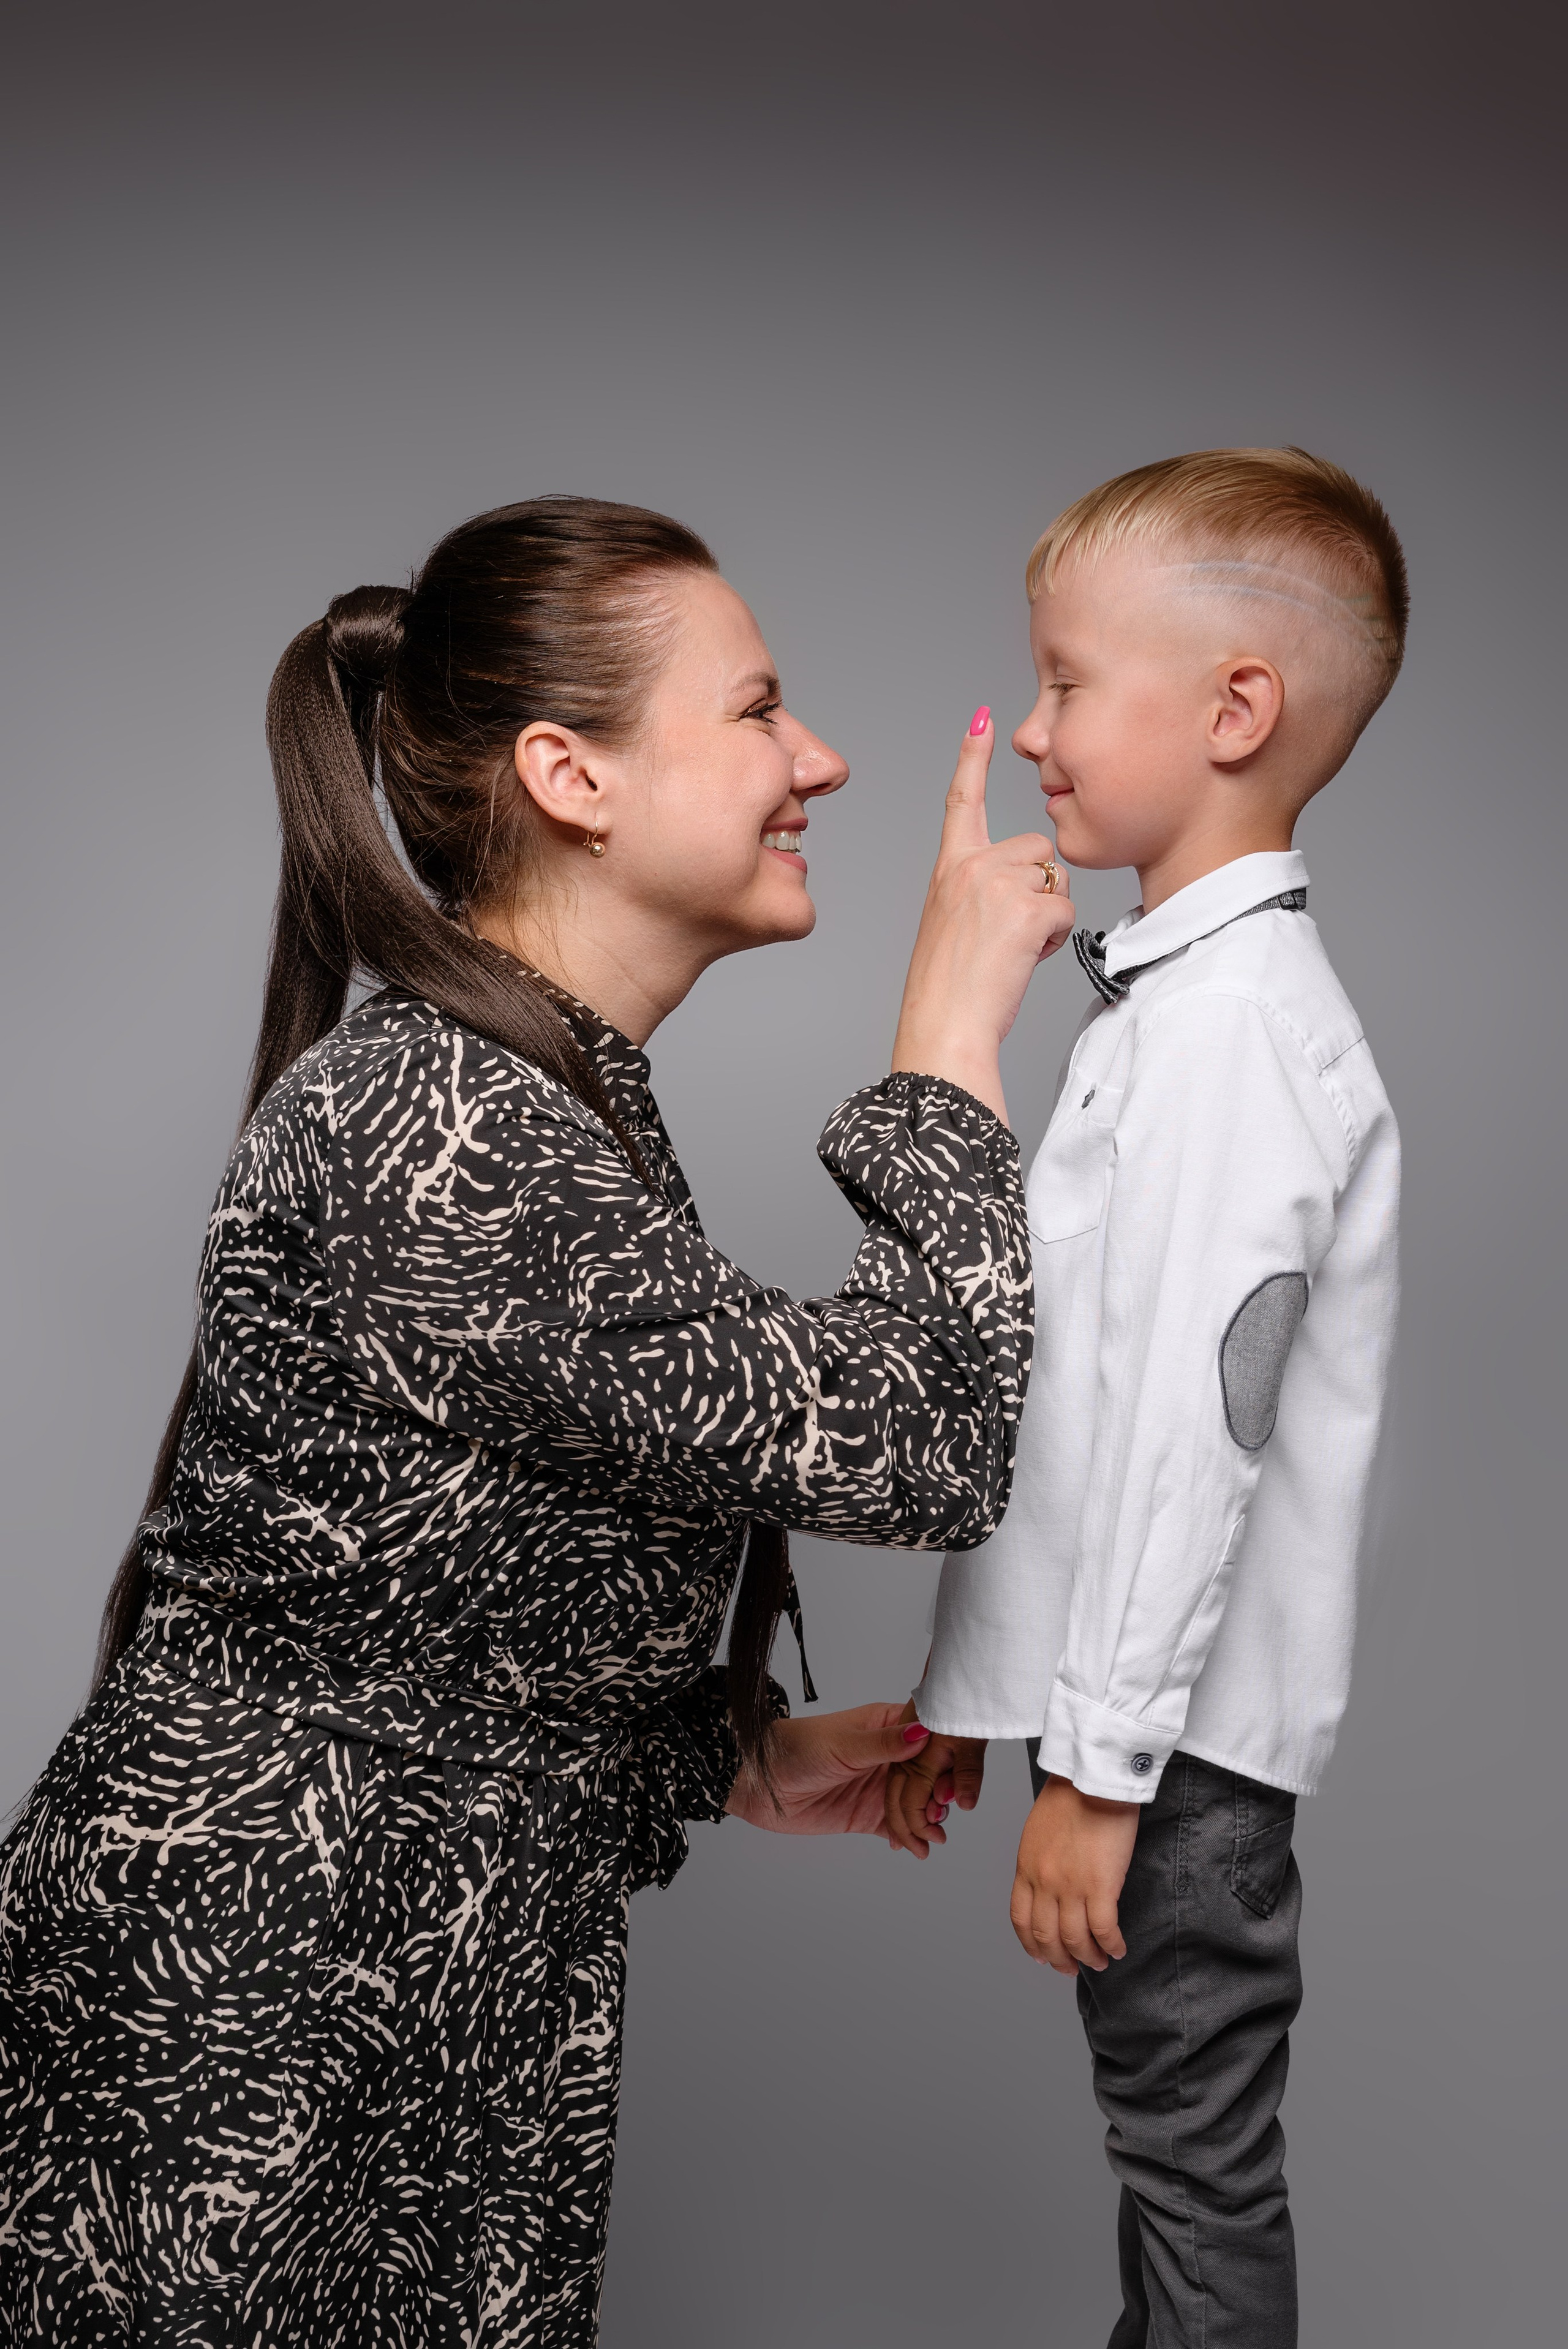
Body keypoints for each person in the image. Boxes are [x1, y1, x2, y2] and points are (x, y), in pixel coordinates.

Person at [0, 498, 1076, 2347]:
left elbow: (430, 1606)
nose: (817, 758)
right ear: (569, 773)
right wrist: (950, 1044)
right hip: (251, 2038)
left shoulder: (543, 1112)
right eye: (757, 711)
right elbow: (920, 1441)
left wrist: (734, 1755)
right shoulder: (441, 1128)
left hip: (404, 2014)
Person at [887, 449, 1405, 2347]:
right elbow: (1089, 1408)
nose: (1030, 729)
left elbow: (1198, 1440)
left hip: (1171, 1758)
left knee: (1190, 2176)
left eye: (1067, 680)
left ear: (1233, 711)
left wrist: (1098, 1766)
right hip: (1140, 1727)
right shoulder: (1183, 1013)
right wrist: (982, 1710)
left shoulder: (1235, 1038)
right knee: (1171, 2170)